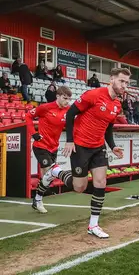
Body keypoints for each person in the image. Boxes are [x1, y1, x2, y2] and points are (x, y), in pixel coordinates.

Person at [63, 67, 128, 238]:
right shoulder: (93, 95)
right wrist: (70, 140)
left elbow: (108, 127)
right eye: (121, 81)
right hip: (80, 146)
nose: (124, 85)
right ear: (111, 79)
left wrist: (112, 146)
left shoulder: (117, 104)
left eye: (127, 83)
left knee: (101, 182)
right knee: (80, 187)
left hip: (98, 147)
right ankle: (56, 172)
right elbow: (70, 114)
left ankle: (93, 225)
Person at [26, 86, 72, 213]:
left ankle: (37, 200)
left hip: (54, 147)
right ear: (57, 96)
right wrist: (33, 133)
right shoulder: (45, 107)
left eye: (69, 99)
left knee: (48, 176)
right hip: (40, 146)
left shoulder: (68, 110)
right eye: (64, 98)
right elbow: (28, 116)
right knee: (51, 170)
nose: (67, 101)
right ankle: (65, 176)